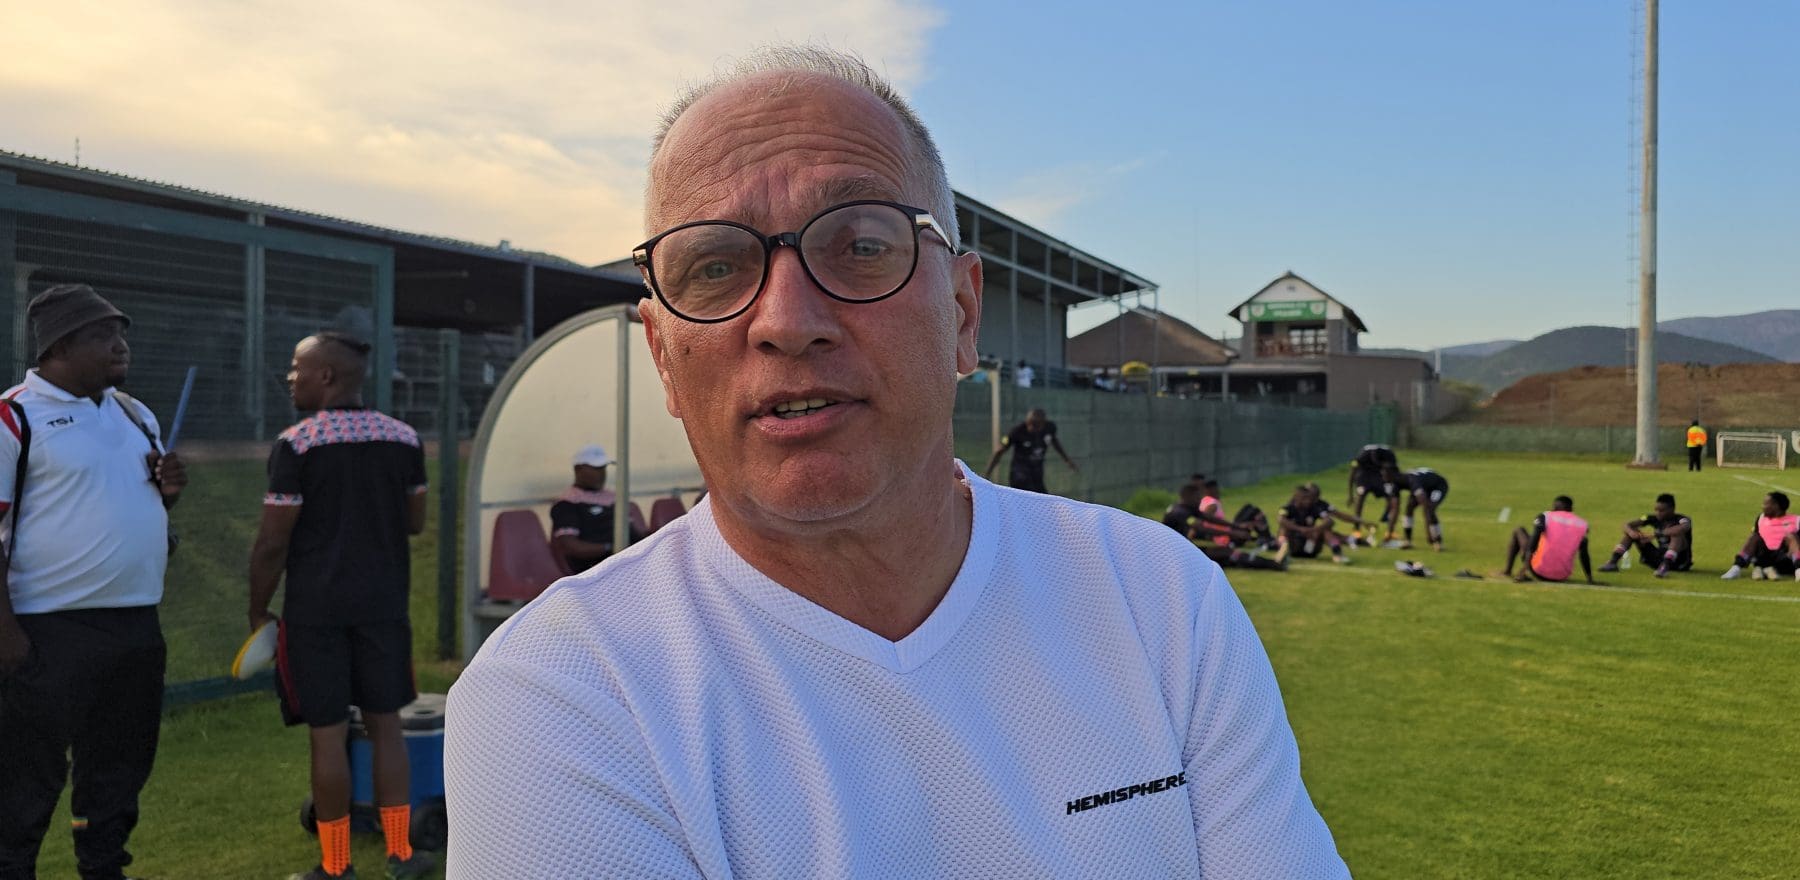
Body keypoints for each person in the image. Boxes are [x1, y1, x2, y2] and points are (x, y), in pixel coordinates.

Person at [445, 47, 1347, 878]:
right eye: (714, 267)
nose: (787, 321)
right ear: (663, 357)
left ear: (962, 312)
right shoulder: (565, 693)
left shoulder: (1159, 601)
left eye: (862, 245)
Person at [0, 284, 186, 880]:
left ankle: (103, 867)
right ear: (58, 346)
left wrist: (167, 494)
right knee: (26, 775)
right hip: (47, 628)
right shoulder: (14, 416)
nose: (120, 346)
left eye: (121, 333)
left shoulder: (135, 413)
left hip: (135, 624)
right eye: (103, 335)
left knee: (118, 766)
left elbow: (128, 506)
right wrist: (7, 635)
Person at [247, 333, 435, 880]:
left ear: (326, 376)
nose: (291, 378)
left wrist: (258, 610)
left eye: (297, 368)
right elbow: (415, 521)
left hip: (315, 613)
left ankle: (335, 865)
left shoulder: (296, 445)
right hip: (384, 607)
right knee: (387, 727)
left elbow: (273, 542)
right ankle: (402, 853)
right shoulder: (404, 439)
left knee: (327, 733)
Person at [549, 443, 643, 572]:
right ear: (578, 469)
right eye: (596, 468)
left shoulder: (614, 497)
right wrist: (612, 548)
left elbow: (634, 534)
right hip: (596, 571)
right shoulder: (567, 504)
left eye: (603, 468)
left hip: (630, 563)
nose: (601, 473)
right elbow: (571, 547)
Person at [1191, 480, 1286, 571]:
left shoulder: (1205, 501)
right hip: (1225, 538)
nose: (1218, 492)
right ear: (1210, 490)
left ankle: (1267, 542)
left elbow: (1206, 522)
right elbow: (1206, 522)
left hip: (1226, 534)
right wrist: (1234, 531)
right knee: (1253, 512)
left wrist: (1236, 526)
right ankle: (1268, 541)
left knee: (1249, 508)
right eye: (1216, 490)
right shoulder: (1212, 504)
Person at [1500, 496, 1595, 584]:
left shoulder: (1545, 516)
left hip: (1538, 571)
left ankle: (1507, 571)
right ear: (1571, 508)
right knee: (1580, 541)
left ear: (1555, 507)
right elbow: (1584, 554)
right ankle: (1589, 577)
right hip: (1562, 575)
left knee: (1519, 530)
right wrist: (1590, 579)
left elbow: (1534, 540)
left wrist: (1524, 568)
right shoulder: (1582, 524)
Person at [983, 407, 1079, 493]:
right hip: (1019, 474)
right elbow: (999, 451)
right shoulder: (1016, 431)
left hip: (1037, 473)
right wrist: (987, 473)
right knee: (1028, 495)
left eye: (1036, 425)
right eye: (1030, 424)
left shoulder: (1050, 428)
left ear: (1043, 423)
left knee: (1043, 499)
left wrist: (1067, 460)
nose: (1032, 428)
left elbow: (1055, 442)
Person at [1599, 493, 1693, 578]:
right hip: (1659, 558)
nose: (1658, 513)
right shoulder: (1652, 518)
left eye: (1662, 511)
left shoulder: (1681, 519)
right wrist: (1632, 533)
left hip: (1679, 562)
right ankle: (1612, 563)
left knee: (1676, 534)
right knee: (1633, 532)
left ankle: (1665, 567)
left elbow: (1684, 527)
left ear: (1672, 509)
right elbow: (1627, 525)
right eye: (1656, 510)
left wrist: (1656, 534)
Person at [1719, 492, 1800, 582]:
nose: (1763, 506)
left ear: (1776, 506)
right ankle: (1736, 569)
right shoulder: (1761, 518)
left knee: (1791, 536)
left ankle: (1798, 570)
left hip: (1787, 560)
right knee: (1755, 537)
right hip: (1764, 560)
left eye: (1766, 504)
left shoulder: (1796, 520)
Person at [1274, 484, 1352, 565]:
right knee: (1284, 528)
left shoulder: (1314, 508)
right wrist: (1300, 529)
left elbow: (1330, 521)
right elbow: (1281, 519)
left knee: (1326, 530)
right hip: (1293, 547)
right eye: (1304, 498)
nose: (1308, 501)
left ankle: (1338, 553)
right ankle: (1282, 554)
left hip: (1310, 544)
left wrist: (1314, 530)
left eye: (1309, 498)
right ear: (1296, 497)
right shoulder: (1287, 508)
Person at [1345, 443, 1399, 542]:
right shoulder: (1363, 455)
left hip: (1380, 476)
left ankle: (1389, 530)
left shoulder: (1389, 454)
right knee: (1360, 497)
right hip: (1364, 476)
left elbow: (1395, 473)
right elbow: (1352, 473)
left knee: (1391, 498)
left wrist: (1393, 489)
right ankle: (1356, 529)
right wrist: (1350, 494)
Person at [1387, 465, 1449, 551]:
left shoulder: (1413, 480)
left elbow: (1425, 506)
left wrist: (1428, 532)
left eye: (1384, 475)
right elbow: (1395, 507)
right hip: (1423, 486)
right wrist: (1390, 532)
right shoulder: (1395, 483)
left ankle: (1437, 541)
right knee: (1409, 507)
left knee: (1430, 509)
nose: (1382, 477)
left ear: (1392, 474)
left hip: (1437, 486)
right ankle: (1408, 541)